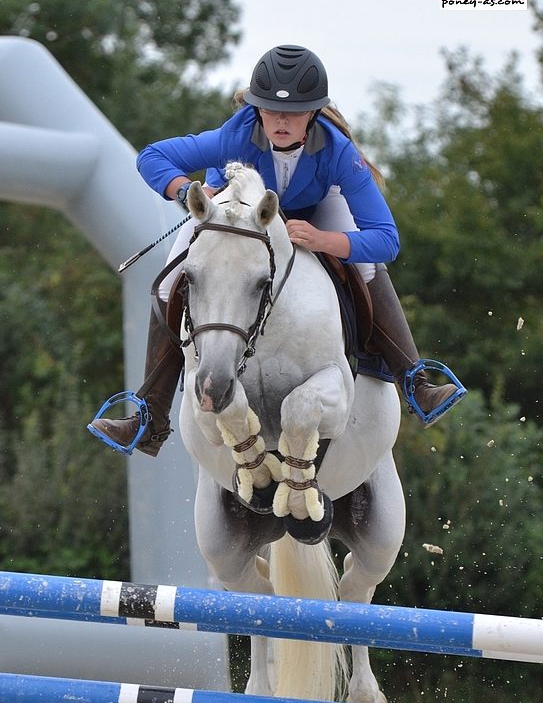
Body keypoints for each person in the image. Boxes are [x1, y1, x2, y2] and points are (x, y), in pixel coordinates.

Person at [89, 44, 466, 457]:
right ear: (257, 108)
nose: (281, 121)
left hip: (313, 209)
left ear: (314, 113)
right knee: (168, 282)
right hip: (234, 210)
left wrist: (325, 241)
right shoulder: (236, 134)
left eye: (294, 112)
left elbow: (387, 238)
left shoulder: (338, 151)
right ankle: (149, 415)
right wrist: (186, 193)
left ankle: (414, 381)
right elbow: (152, 156)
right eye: (270, 110)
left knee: (369, 265)